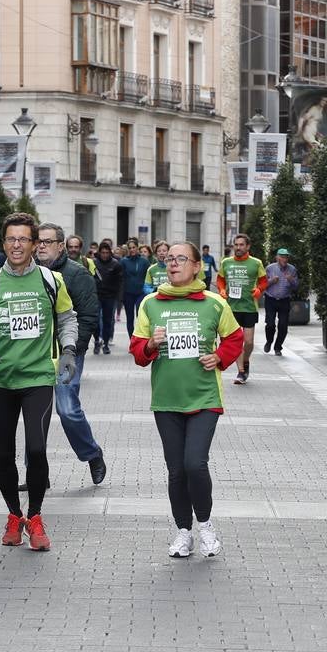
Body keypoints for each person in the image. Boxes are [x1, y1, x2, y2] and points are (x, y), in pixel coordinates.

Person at [0, 212, 78, 551]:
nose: (16, 245)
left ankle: (36, 517)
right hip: (0, 380)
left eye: (23, 239)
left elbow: (67, 319)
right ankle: (14, 514)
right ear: (3, 242)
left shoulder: (50, 281)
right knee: (3, 453)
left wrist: (68, 350)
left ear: (34, 244)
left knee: (37, 449)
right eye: (10, 238)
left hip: (38, 376)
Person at [130, 241, 243, 558]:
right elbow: (138, 353)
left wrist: (219, 357)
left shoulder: (214, 303)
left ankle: (205, 525)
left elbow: (234, 337)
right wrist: (151, 344)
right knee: (176, 470)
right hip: (166, 399)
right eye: (169, 259)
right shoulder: (150, 304)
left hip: (205, 397)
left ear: (197, 266)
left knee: (195, 463)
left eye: (181, 259)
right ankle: (183, 532)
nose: (173, 263)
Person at [37, 222, 106, 485]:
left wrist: (73, 350)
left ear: (60, 245)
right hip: (34, 354)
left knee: (67, 409)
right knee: (36, 412)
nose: (41, 246)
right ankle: (36, 472)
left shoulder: (76, 274)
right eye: (39, 241)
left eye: (47, 242)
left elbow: (89, 316)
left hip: (67, 353)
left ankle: (92, 454)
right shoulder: (28, 274)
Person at [216, 234, 267, 385]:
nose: (238, 248)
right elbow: (220, 279)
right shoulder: (226, 262)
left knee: (249, 342)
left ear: (248, 246)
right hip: (231, 308)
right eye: (236, 245)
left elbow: (264, 281)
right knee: (238, 341)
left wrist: (259, 290)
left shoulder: (256, 263)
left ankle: (246, 361)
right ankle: (241, 372)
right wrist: (222, 290)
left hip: (249, 307)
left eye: (241, 245)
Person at [262, 248, 299, 356]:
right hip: (271, 299)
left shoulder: (292, 269)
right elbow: (262, 284)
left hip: (284, 300)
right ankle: (269, 341)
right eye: (282, 257)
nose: (285, 259)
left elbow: (296, 286)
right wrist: (271, 281)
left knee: (283, 326)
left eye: (286, 257)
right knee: (270, 324)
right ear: (277, 257)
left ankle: (278, 347)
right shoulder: (269, 268)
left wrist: (291, 280)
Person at [92, 242, 123, 354]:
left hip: (110, 296)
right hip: (96, 295)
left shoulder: (116, 265)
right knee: (95, 320)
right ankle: (96, 340)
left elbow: (120, 282)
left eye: (107, 253)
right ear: (99, 253)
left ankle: (105, 343)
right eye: (103, 252)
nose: (104, 255)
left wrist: (118, 297)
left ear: (110, 253)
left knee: (107, 321)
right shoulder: (94, 263)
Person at [120, 241, 149, 336]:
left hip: (141, 293)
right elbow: (120, 277)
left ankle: (140, 337)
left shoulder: (144, 261)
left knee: (140, 317)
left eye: (134, 247)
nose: (132, 249)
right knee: (130, 318)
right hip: (128, 293)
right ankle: (131, 340)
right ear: (128, 249)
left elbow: (148, 276)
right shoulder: (124, 261)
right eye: (130, 248)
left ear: (137, 248)